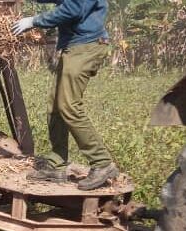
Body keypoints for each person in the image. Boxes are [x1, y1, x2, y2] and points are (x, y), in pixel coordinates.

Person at [12, 0, 118, 190]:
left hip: (86, 46)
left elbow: (73, 8)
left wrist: (34, 21)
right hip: (74, 46)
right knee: (55, 106)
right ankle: (57, 163)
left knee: (69, 105)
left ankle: (102, 162)